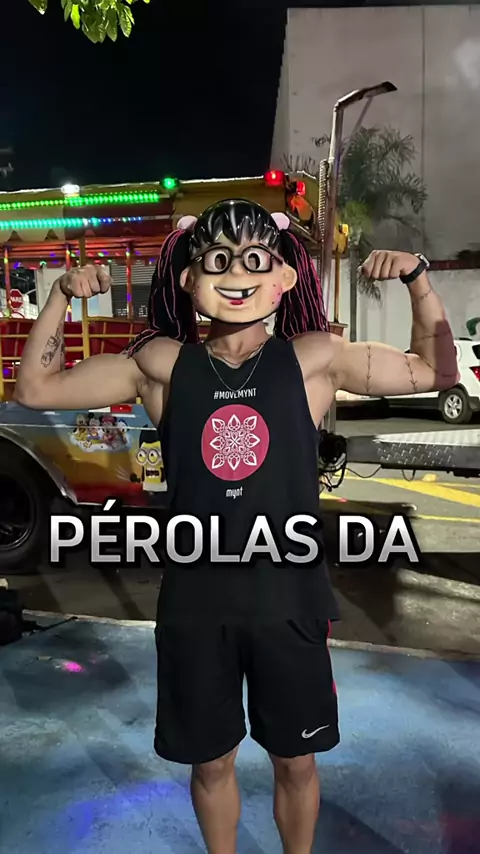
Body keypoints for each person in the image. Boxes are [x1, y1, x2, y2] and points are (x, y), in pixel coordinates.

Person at [15, 199, 458, 854]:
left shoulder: (314, 359)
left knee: (296, 763)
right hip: (197, 606)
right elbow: (34, 390)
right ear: (189, 278)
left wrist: (418, 279)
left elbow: (435, 372)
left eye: (255, 259)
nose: (237, 275)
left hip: (289, 601)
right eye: (218, 260)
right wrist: (58, 296)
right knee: (211, 764)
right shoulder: (161, 366)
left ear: (284, 277)